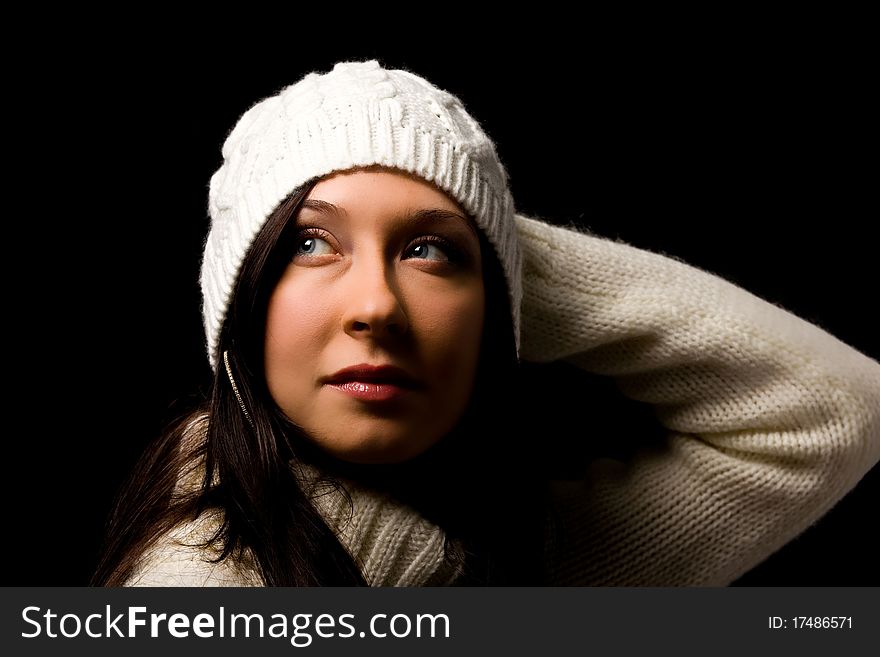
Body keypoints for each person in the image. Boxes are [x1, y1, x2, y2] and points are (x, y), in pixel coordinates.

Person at [92, 59, 880, 587]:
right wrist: (468, 246)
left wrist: (496, 249)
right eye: (309, 242)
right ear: (238, 301)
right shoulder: (199, 588)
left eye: (427, 251)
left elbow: (837, 412)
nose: (375, 307)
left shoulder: (511, 558)